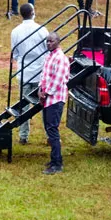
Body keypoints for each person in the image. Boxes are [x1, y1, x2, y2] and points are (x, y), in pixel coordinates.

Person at [10, 3, 49, 144]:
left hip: (24, 73)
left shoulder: (15, 31)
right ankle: (49, 135)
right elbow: (48, 49)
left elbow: (15, 53)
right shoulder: (42, 30)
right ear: (33, 12)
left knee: (23, 106)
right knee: (45, 106)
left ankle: (23, 136)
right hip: (40, 74)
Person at [39, 31, 70, 175]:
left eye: (51, 41)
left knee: (52, 130)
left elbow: (58, 80)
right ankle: (54, 160)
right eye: (47, 41)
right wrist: (40, 90)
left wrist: (46, 93)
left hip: (55, 99)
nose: (49, 43)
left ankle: (57, 164)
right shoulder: (49, 57)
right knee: (48, 128)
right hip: (47, 98)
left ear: (58, 42)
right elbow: (44, 75)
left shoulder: (61, 58)